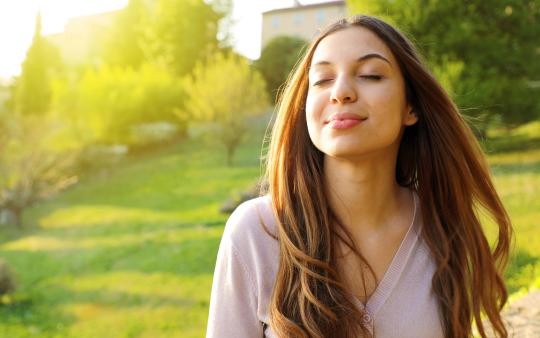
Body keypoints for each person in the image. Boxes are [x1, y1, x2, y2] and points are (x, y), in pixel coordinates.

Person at [206, 14, 512, 338]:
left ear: (411, 107)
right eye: (322, 80)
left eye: (370, 75)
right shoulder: (258, 232)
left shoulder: (441, 226)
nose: (341, 92)